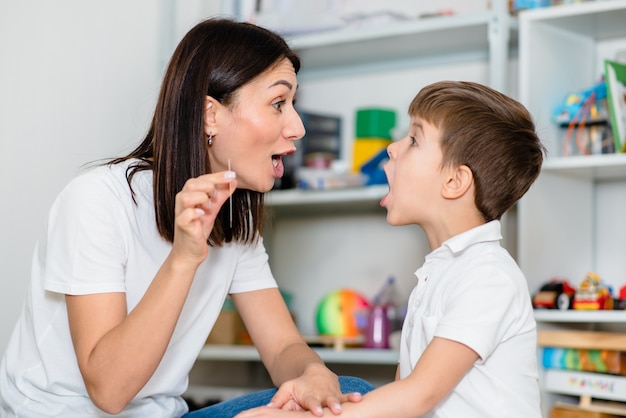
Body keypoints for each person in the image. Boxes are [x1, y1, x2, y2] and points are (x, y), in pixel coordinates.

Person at [0, 18, 372, 418]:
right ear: (210, 115)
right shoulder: (97, 200)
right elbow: (108, 391)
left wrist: (312, 373)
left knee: (350, 392)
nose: (297, 127)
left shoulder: (234, 220)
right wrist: (183, 257)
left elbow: (283, 347)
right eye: (279, 104)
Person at [234, 80, 546, 418]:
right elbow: (402, 396)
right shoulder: (437, 274)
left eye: (413, 139)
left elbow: (418, 395)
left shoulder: (487, 277)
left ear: (454, 182)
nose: (393, 148)